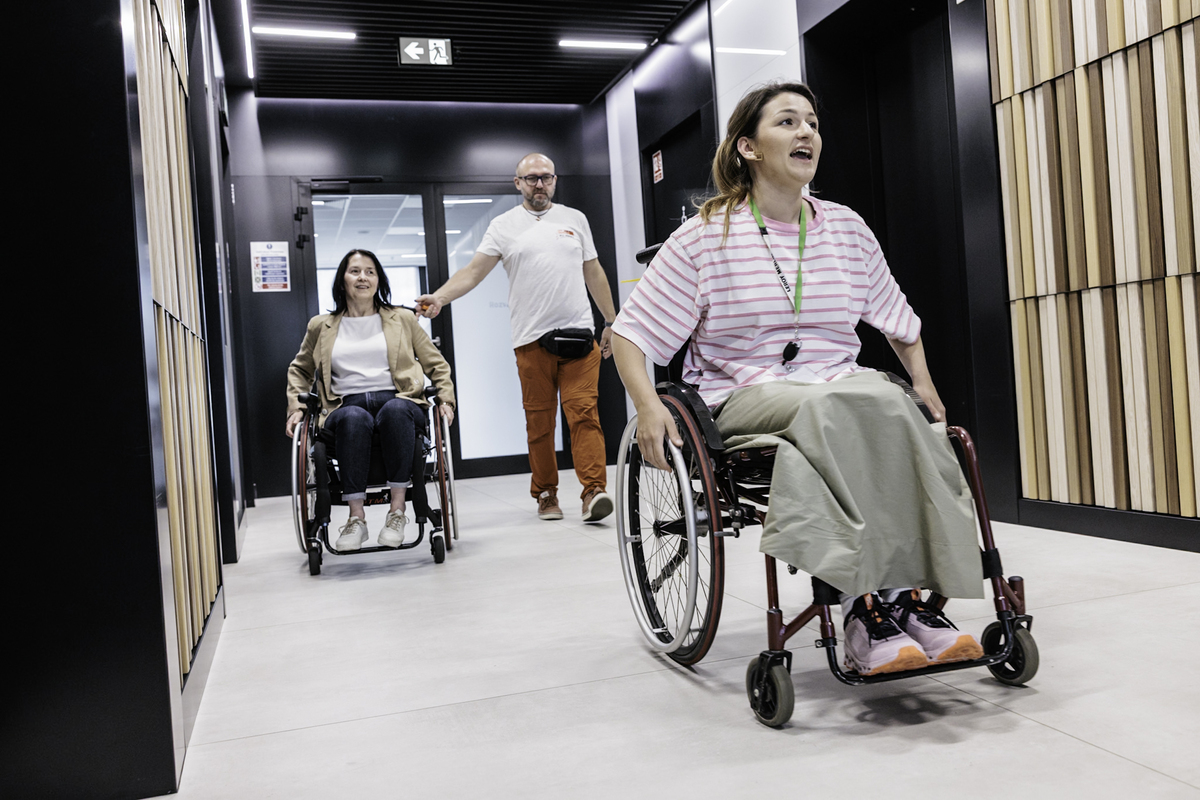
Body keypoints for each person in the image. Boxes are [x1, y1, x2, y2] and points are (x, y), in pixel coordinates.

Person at [611, 82, 985, 676]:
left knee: (891, 404)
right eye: (787, 122)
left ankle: (907, 601)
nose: (806, 131)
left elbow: (898, 318)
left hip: (841, 386)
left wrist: (923, 383)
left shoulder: (845, 228)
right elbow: (630, 335)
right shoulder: (707, 235)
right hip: (741, 393)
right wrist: (649, 407)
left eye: (811, 121)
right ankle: (864, 608)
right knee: (836, 408)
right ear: (748, 147)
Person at [416, 153, 617, 523]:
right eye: (532, 178)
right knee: (540, 422)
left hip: (579, 337)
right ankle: (546, 493)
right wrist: (440, 297)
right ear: (518, 183)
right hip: (531, 340)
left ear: (554, 180)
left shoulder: (575, 219)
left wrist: (610, 321)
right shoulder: (503, 225)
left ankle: (593, 491)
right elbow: (473, 272)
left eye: (546, 177)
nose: (540, 184)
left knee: (584, 415)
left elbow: (593, 271)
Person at [287, 249, 455, 552]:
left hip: (400, 400)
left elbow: (437, 365)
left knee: (395, 410)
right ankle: (357, 518)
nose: (362, 277)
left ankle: (397, 513)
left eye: (370, 271)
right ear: (342, 280)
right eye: (354, 271)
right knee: (354, 418)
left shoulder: (403, 319)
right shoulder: (321, 326)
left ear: (379, 280)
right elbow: (300, 370)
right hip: (344, 406)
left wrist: (446, 399)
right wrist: (296, 409)